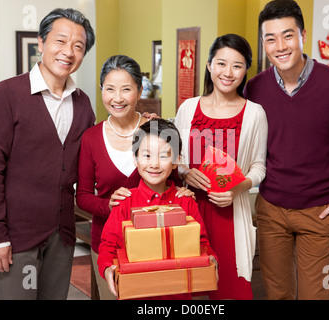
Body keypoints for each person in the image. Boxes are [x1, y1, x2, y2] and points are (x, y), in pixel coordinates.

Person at [243, 0, 329, 300]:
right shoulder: (255, 88)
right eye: (270, 38)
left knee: (320, 295)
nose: (280, 46)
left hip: (320, 215)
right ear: (264, 43)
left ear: (303, 36)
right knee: (277, 296)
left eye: (288, 35)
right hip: (271, 212)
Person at [0, 8, 96, 299]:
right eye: (60, 41)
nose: (68, 52)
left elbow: (87, 163)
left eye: (78, 46)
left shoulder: (83, 104)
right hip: (17, 238)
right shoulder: (7, 94)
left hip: (62, 237)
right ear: (41, 42)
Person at [76, 55, 192, 299]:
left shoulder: (158, 128)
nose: (117, 98)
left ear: (139, 91)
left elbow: (175, 179)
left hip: (157, 242)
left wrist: (183, 192)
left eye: (126, 89)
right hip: (108, 244)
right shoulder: (90, 138)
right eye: (110, 89)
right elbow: (83, 196)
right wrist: (107, 205)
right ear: (101, 91)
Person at [174, 34, 268, 300]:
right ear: (208, 65)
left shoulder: (254, 113)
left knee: (231, 290)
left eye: (237, 66)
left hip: (229, 214)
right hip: (189, 211)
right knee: (183, 289)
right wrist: (184, 171)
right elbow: (175, 157)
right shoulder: (188, 108)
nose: (228, 73)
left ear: (246, 70)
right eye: (221, 63)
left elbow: (259, 167)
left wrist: (237, 189)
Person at [97, 119, 218, 299]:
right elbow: (108, 246)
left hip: (178, 294)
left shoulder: (185, 202)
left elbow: (202, 243)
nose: (154, 164)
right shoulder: (124, 202)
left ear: (176, 160)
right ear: (135, 158)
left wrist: (212, 260)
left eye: (163, 156)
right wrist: (108, 269)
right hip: (135, 293)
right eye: (146, 155)